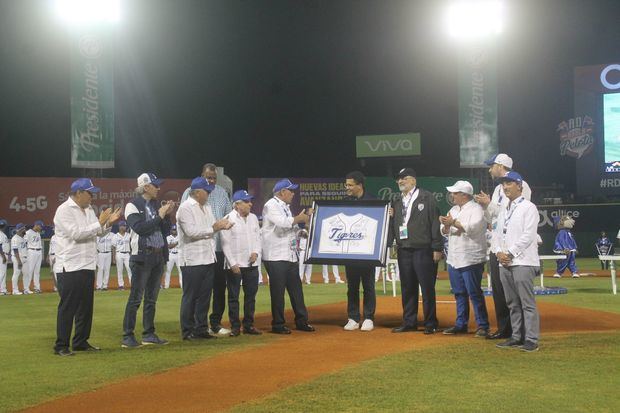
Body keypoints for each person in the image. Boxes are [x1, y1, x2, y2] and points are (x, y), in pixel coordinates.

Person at [53, 178, 121, 356]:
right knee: (68, 307)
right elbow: (76, 234)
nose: (92, 196)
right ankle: (61, 345)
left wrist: (108, 224)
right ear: (78, 193)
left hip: (88, 264)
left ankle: (81, 341)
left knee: (85, 308)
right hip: (70, 265)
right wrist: (99, 223)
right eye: (90, 193)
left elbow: (97, 233)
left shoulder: (89, 209)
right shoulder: (64, 210)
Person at [474, 153, 532, 340]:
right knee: (500, 292)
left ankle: (523, 333)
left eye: (491, 166)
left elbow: (516, 213)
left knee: (519, 296)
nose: (490, 170)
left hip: (515, 249)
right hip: (497, 246)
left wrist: (489, 204)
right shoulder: (499, 189)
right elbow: (495, 220)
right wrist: (486, 206)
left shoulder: (522, 186)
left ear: (500, 165)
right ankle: (505, 329)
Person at [121, 173, 175, 348]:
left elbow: (165, 231)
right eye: (155, 185)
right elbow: (140, 229)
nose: (159, 188)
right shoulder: (132, 205)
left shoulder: (154, 205)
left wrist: (167, 216)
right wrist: (159, 216)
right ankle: (127, 336)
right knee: (136, 299)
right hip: (142, 257)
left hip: (158, 255)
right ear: (146, 187)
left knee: (151, 299)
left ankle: (148, 334)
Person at [176, 177, 233, 341]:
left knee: (204, 297)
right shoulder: (185, 208)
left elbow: (211, 226)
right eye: (206, 191)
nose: (209, 193)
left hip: (208, 257)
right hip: (192, 259)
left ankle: (201, 329)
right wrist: (215, 227)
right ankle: (187, 331)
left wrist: (222, 224)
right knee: (190, 297)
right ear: (197, 192)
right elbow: (191, 232)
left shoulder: (207, 206)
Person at [388, 168, 443, 334]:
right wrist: (391, 243)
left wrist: (437, 247)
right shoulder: (397, 201)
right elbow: (394, 225)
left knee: (427, 288)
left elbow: (435, 223)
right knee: (407, 287)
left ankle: (430, 323)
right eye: (398, 179)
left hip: (423, 249)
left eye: (404, 178)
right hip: (404, 249)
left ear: (413, 180)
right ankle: (409, 321)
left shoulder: (427, 197)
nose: (400, 181)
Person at [491, 171, 541, 352]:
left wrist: (509, 253)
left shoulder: (529, 207)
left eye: (509, 184)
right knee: (512, 303)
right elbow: (496, 234)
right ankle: (516, 336)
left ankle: (531, 339)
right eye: (503, 184)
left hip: (523, 261)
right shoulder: (504, 209)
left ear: (519, 186)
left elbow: (529, 236)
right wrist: (498, 252)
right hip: (504, 262)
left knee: (527, 303)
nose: (505, 187)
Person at [261, 178, 315, 334]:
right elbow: (283, 223)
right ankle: (277, 324)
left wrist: (301, 232)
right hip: (275, 256)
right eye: (291, 191)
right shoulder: (270, 205)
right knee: (278, 292)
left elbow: (290, 228)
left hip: (290, 255)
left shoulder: (285, 207)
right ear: (282, 192)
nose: (293, 193)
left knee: (296, 290)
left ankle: (301, 321)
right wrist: (301, 217)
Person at [439, 180, 490, 338]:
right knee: (459, 293)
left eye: (455, 193)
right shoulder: (453, 209)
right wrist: (446, 225)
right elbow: (444, 231)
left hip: (471, 257)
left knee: (474, 292)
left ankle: (483, 325)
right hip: (454, 257)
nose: (452, 195)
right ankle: (461, 324)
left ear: (464, 195)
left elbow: (473, 228)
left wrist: (453, 222)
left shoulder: (477, 209)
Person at [221, 190, 263, 336]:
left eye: (250, 201)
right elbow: (225, 244)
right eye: (246, 201)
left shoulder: (253, 218)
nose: (250, 203)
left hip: (251, 264)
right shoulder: (228, 219)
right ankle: (234, 327)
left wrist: (256, 252)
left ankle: (249, 325)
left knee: (250, 297)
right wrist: (232, 263)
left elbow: (258, 238)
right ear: (237, 204)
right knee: (233, 297)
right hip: (235, 265)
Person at [342, 171, 377, 332]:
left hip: (368, 251)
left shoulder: (373, 201)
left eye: (350, 185)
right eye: (346, 184)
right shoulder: (345, 201)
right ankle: (353, 317)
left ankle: (369, 318)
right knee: (352, 287)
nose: (346, 187)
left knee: (368, 286)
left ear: (359, 185)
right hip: (350, 252)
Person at [24, 220, 44, 293]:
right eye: (40, 226)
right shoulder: (28, 232)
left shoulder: (38, 233)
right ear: (36, 225)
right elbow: (24, 243)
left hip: (39, 252)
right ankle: (26, 288)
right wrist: (25, 254)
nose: (41, 228)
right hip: (31, 251)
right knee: (30, 270)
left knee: (37, 271)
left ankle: (37, 288)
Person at [112, 221, 132, 290]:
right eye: (121, 226)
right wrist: (114, 258)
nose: (123, 227)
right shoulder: (115, 236)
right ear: (119, 227)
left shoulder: (129, 235)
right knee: (119, 270)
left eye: (124, 226)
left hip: (127, 254)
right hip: (119, 254)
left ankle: (132, 284)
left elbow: (131, 245)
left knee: (129, 269)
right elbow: (114, 247)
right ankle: (121, 285)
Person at [11, 223, 28, 295]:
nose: (25, 230)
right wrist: (19, 261)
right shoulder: (15, 238)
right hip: (17, 258)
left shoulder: (23, 237)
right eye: (24, 228)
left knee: (26, 273)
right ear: (20, 230)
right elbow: (15, 250)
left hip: (24, 257)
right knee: (16, 274)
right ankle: (15, 290)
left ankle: (26, 289)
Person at [163, 224, 181, 289]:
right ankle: (166, 286)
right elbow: (169, 246)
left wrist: (174, 244)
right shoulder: (168, 237)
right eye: (173, 230)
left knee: (180, 270)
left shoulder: (180, 237)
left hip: (178, 255)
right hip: (170, 255)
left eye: (175, 230)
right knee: (168, 271)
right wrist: (177, 243)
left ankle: (182, 285)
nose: (174, 231)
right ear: (171, 230)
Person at [0, 219, 10, 295]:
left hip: (4, 254)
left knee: (4, 273)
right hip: (1, 255)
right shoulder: (0, 234)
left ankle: (3, 290)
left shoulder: (3, 234)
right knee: (2, 273)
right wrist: (3, 256)